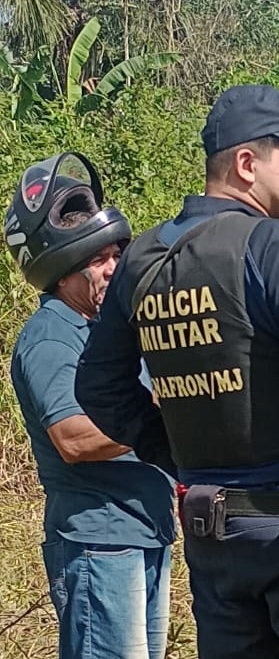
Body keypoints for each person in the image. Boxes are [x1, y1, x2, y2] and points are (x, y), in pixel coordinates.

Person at [73, 85, 279, 659]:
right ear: (247, 164)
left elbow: (98, 386)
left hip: (215, 543)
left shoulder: (144, 261)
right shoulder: (268, 246)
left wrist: (181, 456)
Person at [5, 152, 176, 659]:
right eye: (98, 260)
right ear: (62, 273)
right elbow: (74, 438)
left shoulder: (108, 332)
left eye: (118, 255)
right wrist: (166, 411)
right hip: (100, 542)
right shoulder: (52, 335)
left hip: (145, 532)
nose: (113, 269)